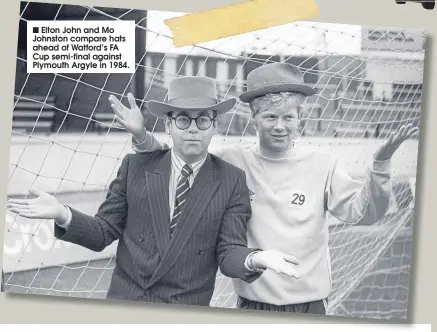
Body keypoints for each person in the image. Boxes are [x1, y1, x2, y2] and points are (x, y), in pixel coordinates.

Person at [108, 62, 418, 314]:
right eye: (269, 116)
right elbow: (174, 159)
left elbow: (365, 213)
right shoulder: (232, 162)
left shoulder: (323, 164)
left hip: (309, 307)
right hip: (252, 306)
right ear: (254, 117)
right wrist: (140, 135)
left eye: (289, 117)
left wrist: (380, 164)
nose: (279, 126)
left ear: (301, 119)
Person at [6, 76, 301, 306]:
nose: (193, 129)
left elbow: (229, 252)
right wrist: (62, 214)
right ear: (169, 124)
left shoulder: (231, 180)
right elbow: (102, 233)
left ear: (214, 124)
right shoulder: (136, 168)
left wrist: (256, 259)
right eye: (183, 119)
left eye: (203, 119)